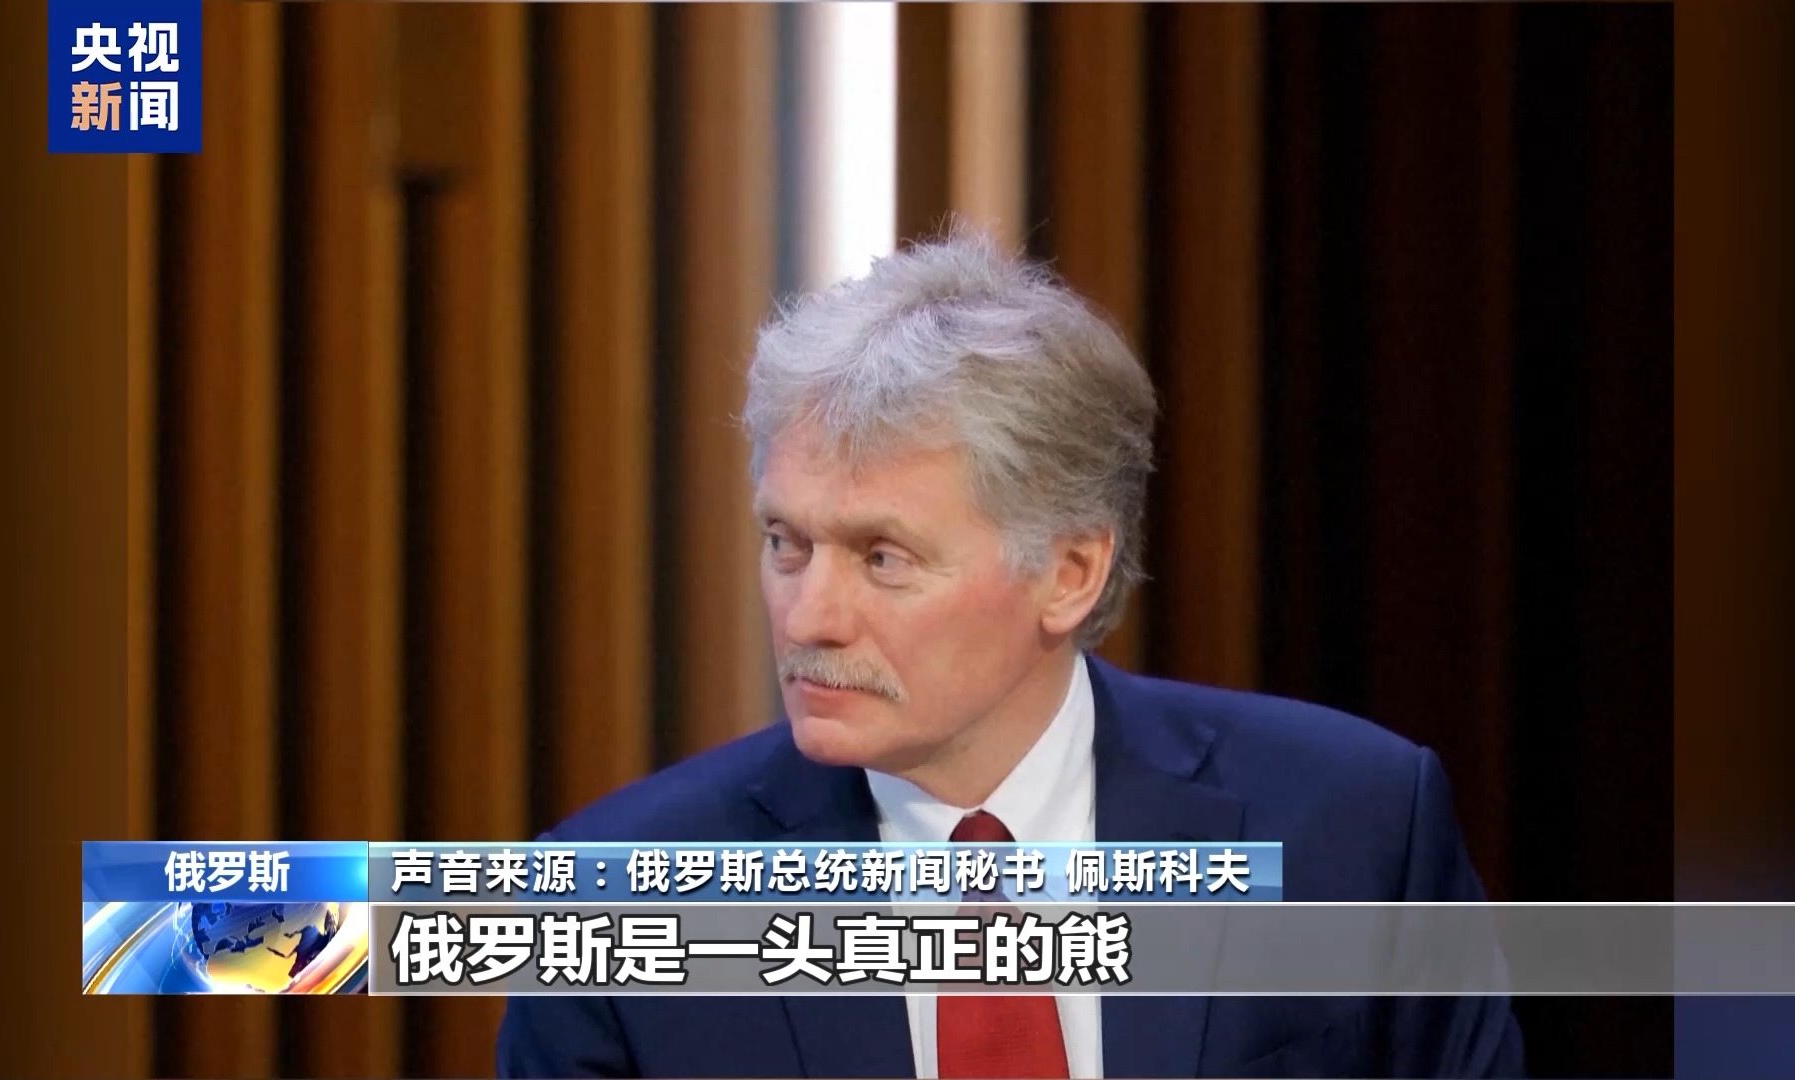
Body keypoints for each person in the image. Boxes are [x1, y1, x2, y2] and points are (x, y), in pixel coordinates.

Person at [497, 230, 1524, 1078]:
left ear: (1069, 573)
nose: (809, 616)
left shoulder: (1357, 828)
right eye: (787, 543)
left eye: (883, 556)